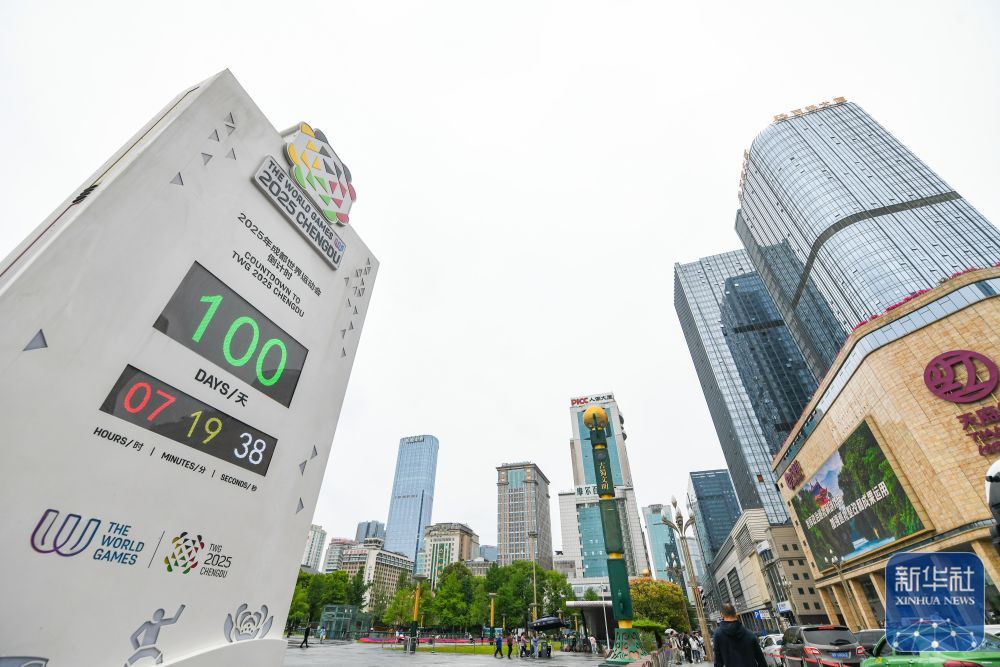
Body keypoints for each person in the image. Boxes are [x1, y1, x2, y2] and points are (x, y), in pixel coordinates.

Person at [711, 603, 767, 667]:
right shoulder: (750, 634)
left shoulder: (718, 635)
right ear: (735, 613)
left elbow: (718, 662)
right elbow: (761, 660)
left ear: (721, 614)